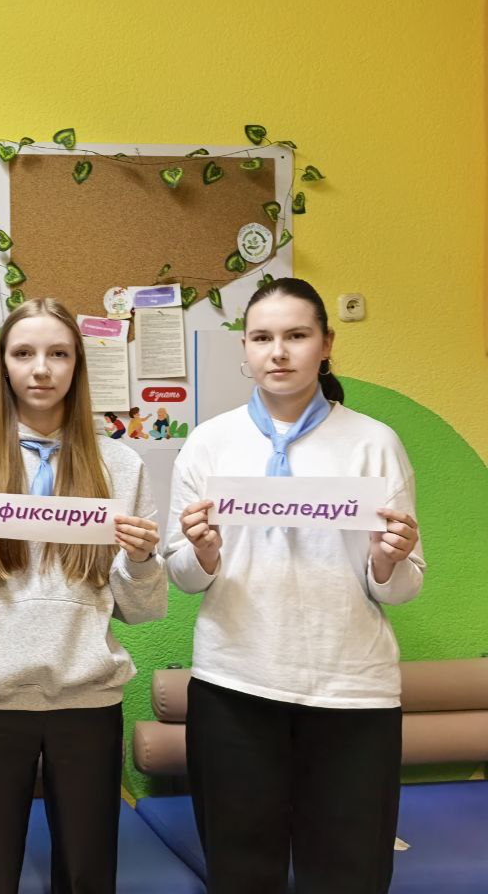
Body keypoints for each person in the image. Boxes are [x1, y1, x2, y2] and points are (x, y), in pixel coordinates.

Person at [166, 277, 424, 894]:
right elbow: (182, 575)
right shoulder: (209, 442)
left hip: (352, 695)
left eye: (296, 336)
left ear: (326, 345)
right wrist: (204, 553)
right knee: (241, 873)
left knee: (349, 875)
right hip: (234, 685)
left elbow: (405, 585)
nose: (278, 352)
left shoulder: (373, 443)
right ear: (245, 349)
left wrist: (387, 562)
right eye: (262, 338)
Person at [0, 296, 165, 894]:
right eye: (23, 353)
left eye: (58, 354)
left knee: (86, 874)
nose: (40, 369)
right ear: (3, 365)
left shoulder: (122, 466)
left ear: (77, 366)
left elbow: (142, 610)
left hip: (88, 699)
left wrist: (141, 562)